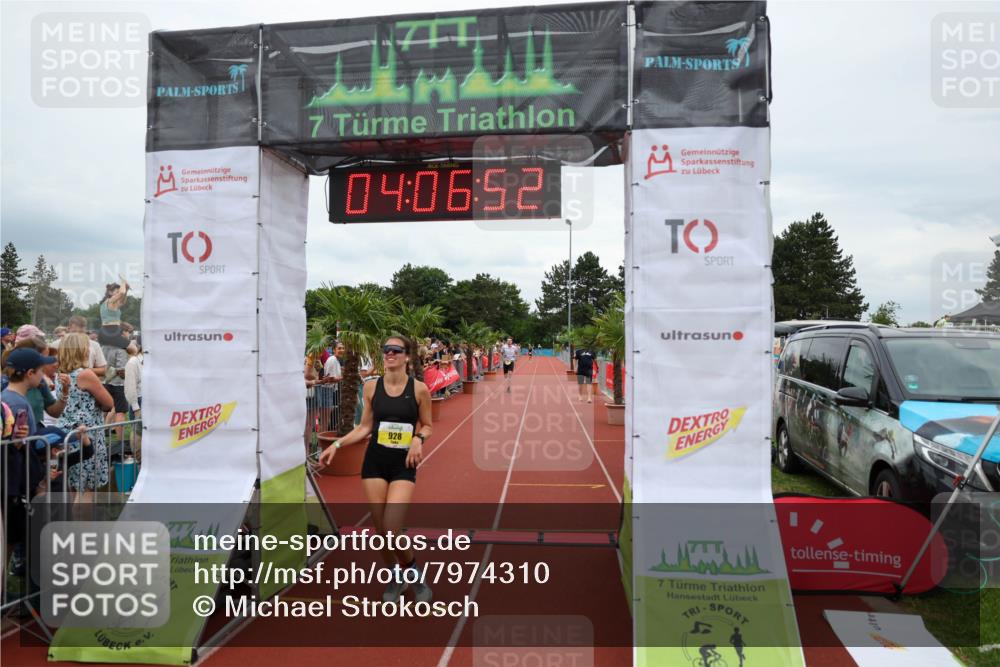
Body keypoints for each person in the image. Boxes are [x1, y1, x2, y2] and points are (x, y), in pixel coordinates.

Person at [319, 336, 433, 603]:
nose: (389, 354)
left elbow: (427, 425)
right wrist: (336, 444)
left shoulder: (419, 390)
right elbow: (364, 427)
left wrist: (418, 438)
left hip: (404, 464)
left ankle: (415, 576)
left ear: (406, 356)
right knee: (381, 531)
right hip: (375, 462)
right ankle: (395, 577)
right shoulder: (371, 387)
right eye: (386, 350)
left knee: (393, 528)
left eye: (396, 350)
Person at [56, 333, 113, 493]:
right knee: (86, 489)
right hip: (87, 434)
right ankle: (84, 519)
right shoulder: (85, 374)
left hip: (66, 433)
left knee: (72, 487)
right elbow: (109, 403)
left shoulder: (59, 374)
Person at [97, 280, 131, 350]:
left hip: (104, 331)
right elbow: (122, 293)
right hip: (111, 330)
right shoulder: (111, 300)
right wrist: (123, 283)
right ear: (110, 292)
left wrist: (126, 289)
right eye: (117, 292)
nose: (118, 293)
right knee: (134, 349)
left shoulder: (110, 303)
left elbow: (122, 301)